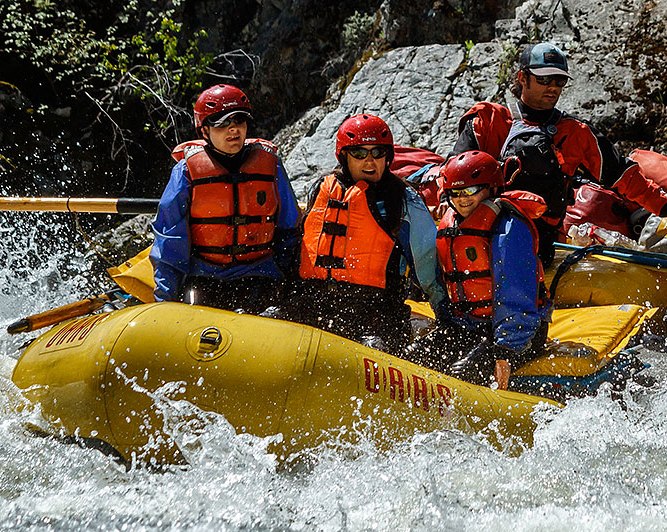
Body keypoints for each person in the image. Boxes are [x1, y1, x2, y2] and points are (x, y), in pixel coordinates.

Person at [449, 42, 667, 266]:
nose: (553, 88)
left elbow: (625, 177)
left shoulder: (575, 133)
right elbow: (452, 175)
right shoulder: (488, 120)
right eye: (544, 79)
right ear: (522, 78)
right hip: (479, 237)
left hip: (540, 245)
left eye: (559, 81)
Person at [295, 113, 448, 353]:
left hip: (377, 314)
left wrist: (446, 319)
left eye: (378, 153)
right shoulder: (321, 189)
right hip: (318, 303)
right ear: (344, 157)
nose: (370, 161)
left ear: (388, 157)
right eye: (359, 153)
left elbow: (427, 268)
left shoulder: (404, 201)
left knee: (376, 347)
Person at [406, 150, 551, 388]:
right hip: (470, 325)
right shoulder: (452, 222)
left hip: (519, 335)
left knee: (460, 374)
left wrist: (506, 350)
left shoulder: (509, 227)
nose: (462, 199)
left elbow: (513, 292)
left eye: (471, 191)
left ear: (492, 188)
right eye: (456, 192)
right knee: (413, 358)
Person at [150, 84, 300, 312]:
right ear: (204, 131)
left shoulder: (271, 165)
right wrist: (165, 300)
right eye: (222, 124)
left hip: (261, 274)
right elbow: (170, 240)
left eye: (239, 121)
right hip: (204, 277)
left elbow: (289, 228)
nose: (233, 130)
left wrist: (286, 279)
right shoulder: (186, 171)